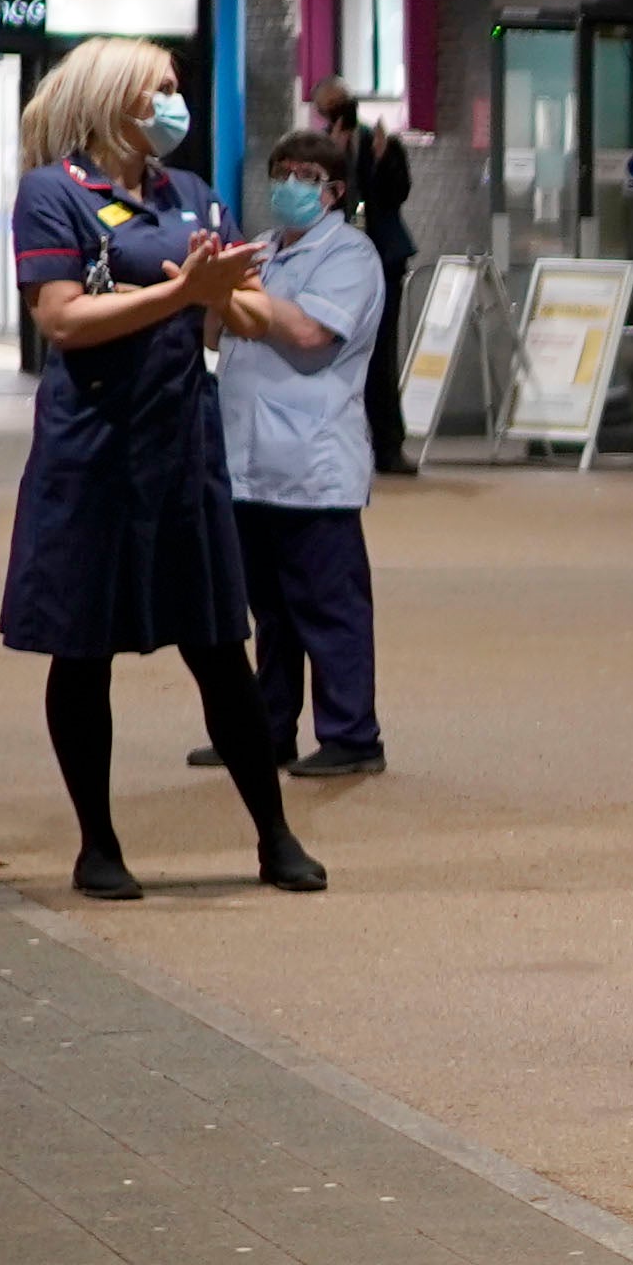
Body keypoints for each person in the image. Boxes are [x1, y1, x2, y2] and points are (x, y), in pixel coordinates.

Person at [2, 37, 322, 902]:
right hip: (93, 457)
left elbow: (234, 312)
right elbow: (63, 321)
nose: (172, 106)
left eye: (176, 88)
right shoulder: (53, 195)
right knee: (83, 654)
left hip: (184, 452)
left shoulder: (189, 196)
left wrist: (232, 298)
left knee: (222, 648)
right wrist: (181, 295)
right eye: (160, 90)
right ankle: (97, 845)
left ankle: (275, 835)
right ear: (114, 100)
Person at [201, 126, 390, 777]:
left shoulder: (350, 255)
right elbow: (212, 326)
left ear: (333, 191)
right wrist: (214, 287)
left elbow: (310, 332)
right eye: (281, 170)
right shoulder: (262, 252)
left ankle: (352, 735)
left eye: (304, 175)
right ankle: (267, 728)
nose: (287, 184)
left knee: (327, 607)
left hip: (313, 461)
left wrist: (235, 290)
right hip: (247, 460)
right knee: (268, 611)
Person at [316, 79, 422, 475]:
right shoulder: (319, 149)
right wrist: (336, 159)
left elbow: (399, 194)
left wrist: (380, 160)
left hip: (383, 258)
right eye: (330, 106)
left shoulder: (382, 142)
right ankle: (339, 445)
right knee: (335, 353)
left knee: (383, 356)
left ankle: (389, 446)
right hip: (336, 261)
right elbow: (318, 203)